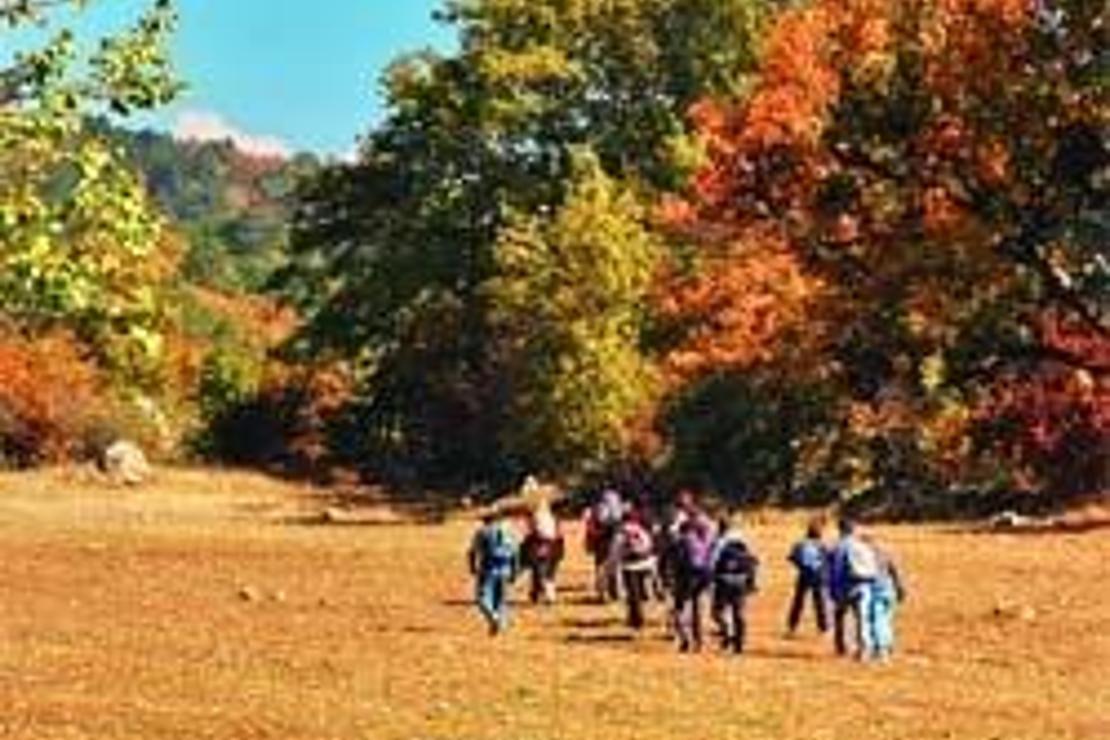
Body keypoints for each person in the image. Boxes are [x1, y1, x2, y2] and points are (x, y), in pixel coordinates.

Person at [828, 518, 878, 659]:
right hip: (862, 585)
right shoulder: (862, 546)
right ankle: (864, 650)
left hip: (844, 588)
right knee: (862, 619)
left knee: (840, 618)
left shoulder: (838, 547)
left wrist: (833, 590)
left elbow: (834, 571)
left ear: (840, 530)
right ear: (853, 530)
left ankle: (841, 647)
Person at [710, 517, 759, 654]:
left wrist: (711, 578)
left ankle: (727, 633)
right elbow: (753, 563)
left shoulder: (719, 543)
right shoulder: (741, 541)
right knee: (739, 613)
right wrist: (751, 583)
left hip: (723, 582)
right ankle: (739, 642)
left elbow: (714, 564)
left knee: (717, 612)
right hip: (740, 583)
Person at [468, 508, 519, 635]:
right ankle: (501, 624)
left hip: (488, 567)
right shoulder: (509, 531)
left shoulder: (482, 532)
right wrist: (515, 571)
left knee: (481, 598)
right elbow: (515, 553)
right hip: (506, 568)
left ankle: (493, 618)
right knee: (501, 600)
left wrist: (472, 567)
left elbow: (472, 551)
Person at [673, 514, 715, 652]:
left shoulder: (682, 541)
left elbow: (676, 562)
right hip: (705, 576)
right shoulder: (706, 540)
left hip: (686, 578)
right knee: (699, 610)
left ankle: (685, 639)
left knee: (680, 610)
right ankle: (700, 643)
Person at [862, 534, 906, 661]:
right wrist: (900, 589)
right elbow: (896, 572)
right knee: (886, 620)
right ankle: (889, 645)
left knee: (877, 620)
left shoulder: (866, 557)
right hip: (889, 590)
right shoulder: (886, 552)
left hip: (875, 591)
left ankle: (881, 650)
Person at [614, 510, 657, 630]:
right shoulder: (642, 530)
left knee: (633, 594)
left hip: (629, 566)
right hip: (645, 564)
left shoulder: (621, 533)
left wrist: (612, 568)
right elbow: (650, 546)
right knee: (641, 592)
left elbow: (615, 552)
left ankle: (637, 620)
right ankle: (637, 616)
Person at [785, 520, 829, 636]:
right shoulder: (822, 545)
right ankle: (823, 628)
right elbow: (828, 559)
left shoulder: (800, 544)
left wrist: (801, 566)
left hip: (804, 575)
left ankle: (792, 627)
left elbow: (791, 557)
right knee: (820, 603)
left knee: (798, 602)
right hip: (818, 576)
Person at [521, 499, 565, 604]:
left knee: (539, 572)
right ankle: (547, 594)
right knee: (549, 573)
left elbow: (532, 532)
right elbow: (559, 534)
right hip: (554, 547)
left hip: (540, 548)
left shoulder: (535, 517)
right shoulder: (554, 518)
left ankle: (542, 595)